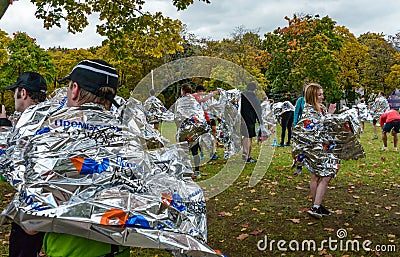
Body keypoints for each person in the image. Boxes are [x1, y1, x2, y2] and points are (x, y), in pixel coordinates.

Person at [41, 59, 130, 257]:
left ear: (74, 89)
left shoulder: (54, 142)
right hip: (118, 249)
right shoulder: (128, 139)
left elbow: (33, 221)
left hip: (69, 250)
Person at [2, 71, 48, 257]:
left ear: (23, 92)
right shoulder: (52, 119)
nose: (14, 97)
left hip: (31, 210)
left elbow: (9, 166)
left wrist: (2, 127)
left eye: (15, 92)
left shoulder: (28, 123)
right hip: (47, 207)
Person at [292, 83, 338, 218]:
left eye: (322, 94)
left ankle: (316, 205)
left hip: (320, 147)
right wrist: (329, 114)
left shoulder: (319, 108)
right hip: (317, 149)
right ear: (312, 96)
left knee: (316, 177)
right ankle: (316, 207)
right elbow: (318, 128)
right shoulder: (309, 110)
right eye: (319, 94)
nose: (322, 97)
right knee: (327, 176)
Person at [192, 85, 219, 160]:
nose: (202, 93)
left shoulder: (201, 98)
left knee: (207, 137)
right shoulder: (194, 96)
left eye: (203, 91)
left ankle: (211, 153)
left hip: (204, 120)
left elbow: (204, 109)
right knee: (200, 138)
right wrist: (212, 93)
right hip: (197, 121)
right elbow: (202, 100)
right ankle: (202, 153)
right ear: (198, 91)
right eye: (201, 91)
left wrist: (207, 119)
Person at [240, 82, 262, 163]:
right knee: (249, 137)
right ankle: (247, 156)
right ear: (254, 89)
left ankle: (244, 151)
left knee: (244, 136)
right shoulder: (254, 98)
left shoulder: (241, 96)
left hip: (242, 120)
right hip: (250, 119)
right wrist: (260, 121)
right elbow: (258, 110)